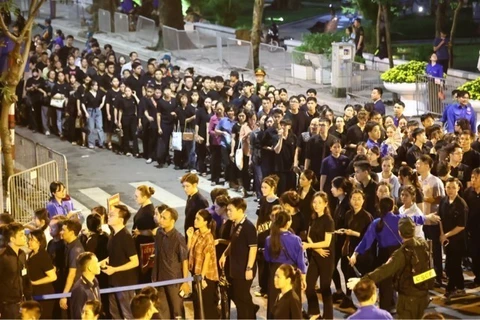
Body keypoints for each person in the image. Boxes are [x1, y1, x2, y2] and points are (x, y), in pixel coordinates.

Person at [348, 217, 433, 319]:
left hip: (408, 299)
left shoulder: (401, 253)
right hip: (424, 295)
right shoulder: (423, 244)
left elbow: (384, 270)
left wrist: (363, 280)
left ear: (399, 232)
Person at [219, 198, 258, 319]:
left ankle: (248, 315)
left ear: (240, 210)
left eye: (231, 210)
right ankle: (251, 310)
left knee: (242, 298)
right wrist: (224, 254)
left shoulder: (248, 227)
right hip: (235, 268)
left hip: (244, 269)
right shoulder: (235, 224)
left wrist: (249, 268)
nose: (228, 212)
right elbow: (233, 242)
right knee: (238, 296)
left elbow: (253, 248)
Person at [264, 210, 307, 318]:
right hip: (290, 273)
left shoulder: (269, 239)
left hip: (275, 271)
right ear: (288, 223)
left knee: (274, 303)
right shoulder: (296, 239)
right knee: (292, 305)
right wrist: (303, 278)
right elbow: (301, 261)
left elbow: (267, 257)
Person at [100, 204, 139, 319]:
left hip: (125, 284)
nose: (109, 216)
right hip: (113, 282)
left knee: (127, 314)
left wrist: (115, 269)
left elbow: (135, 261)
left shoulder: (126, 237)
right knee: (115, 313)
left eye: (112, 215)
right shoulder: (113, 235)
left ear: (121, 220)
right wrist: (104, 262)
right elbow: (114, 254)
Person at [152, 207, 190, 319]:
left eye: (164, 218)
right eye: (161, 217)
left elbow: (184, 260)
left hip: (174, 280)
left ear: (172, 221)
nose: (161, 220)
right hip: (159, 279)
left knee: (176, 310)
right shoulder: (159, 233)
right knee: (163, 311)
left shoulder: (179, 238)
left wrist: (185, 281)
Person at [304, 191, 335, 320]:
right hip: (316, 256)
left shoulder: (328, 220)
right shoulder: (313, 218)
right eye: (315, 202)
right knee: (309, 285)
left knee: (325, 288)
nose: (316, 205)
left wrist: (310, 246)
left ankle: (328, 317)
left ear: (325, 204)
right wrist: (316, 249)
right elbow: (308, 236)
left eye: (319, 203)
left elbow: (327, 242)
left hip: (326, 258)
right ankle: (315, 312)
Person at [186, 209, 220, 320]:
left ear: (205, 222)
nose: (195, 221)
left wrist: (203, 278)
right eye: (195, 218)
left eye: (198, 219)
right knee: (197, 304)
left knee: (207, 305)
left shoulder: (208, 237)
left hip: (206, 277)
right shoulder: (196, 233)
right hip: (195, 274)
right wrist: (189, 237)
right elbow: (189, 251)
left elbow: (207, 259)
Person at [439, 177, 468, 298]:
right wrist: (442, 235)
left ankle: (455, 287)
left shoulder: (461, 205)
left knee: (454, 264)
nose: (450, 190)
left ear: (458, 188)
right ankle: (454, 287)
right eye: (448, 187)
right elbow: (440, 218)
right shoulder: (444, 201)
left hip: (458, 240)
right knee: (450, 264)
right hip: (446, 239)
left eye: (453, 188)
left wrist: (446, 235)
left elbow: (461, 226)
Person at [0, 223, 31, 319]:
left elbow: (26, 279)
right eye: (21, 235)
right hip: (7, 306)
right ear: (12, 239)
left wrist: (29, 300)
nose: (24, 237)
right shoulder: (2, 257)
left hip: (22, 302)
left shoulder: (22, 254)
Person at [27, 229, 56, 319]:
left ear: (39, 242)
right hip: (34, 293)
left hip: (44, 294)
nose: (29, 242)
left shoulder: (43, 255)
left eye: (32, 240)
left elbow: (52, 277)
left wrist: (34, 283)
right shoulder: (31, 254)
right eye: (29, 239)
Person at [59, 219, 84, 313]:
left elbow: (72, 274)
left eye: (64, 230)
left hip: (74, 291)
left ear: (72, 232)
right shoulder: (68, 246)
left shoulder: (75, 250)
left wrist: (64, 295)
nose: (61, 232)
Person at [132, 185, 156, 283]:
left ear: (145, 197)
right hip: (140, 244)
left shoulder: (149, 211)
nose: (135, 198)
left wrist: (139, 232)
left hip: (145, 248)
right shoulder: (143, 207)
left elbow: (153, 231)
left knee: (145, 274)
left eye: (137, 196)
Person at [71, 252, 101, 319]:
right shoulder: (79, 289)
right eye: (97, 262)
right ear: (90, 268)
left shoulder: (95, 282)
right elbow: (77, 316)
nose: (99, 264)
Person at [181, 173, 209, 238]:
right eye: (184, 186)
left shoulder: (201, 201)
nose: (185, 189)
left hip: (196, 236)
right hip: (189, 232)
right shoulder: (190, 196)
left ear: (195, 185)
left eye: (187, 186)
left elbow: (204, 222)